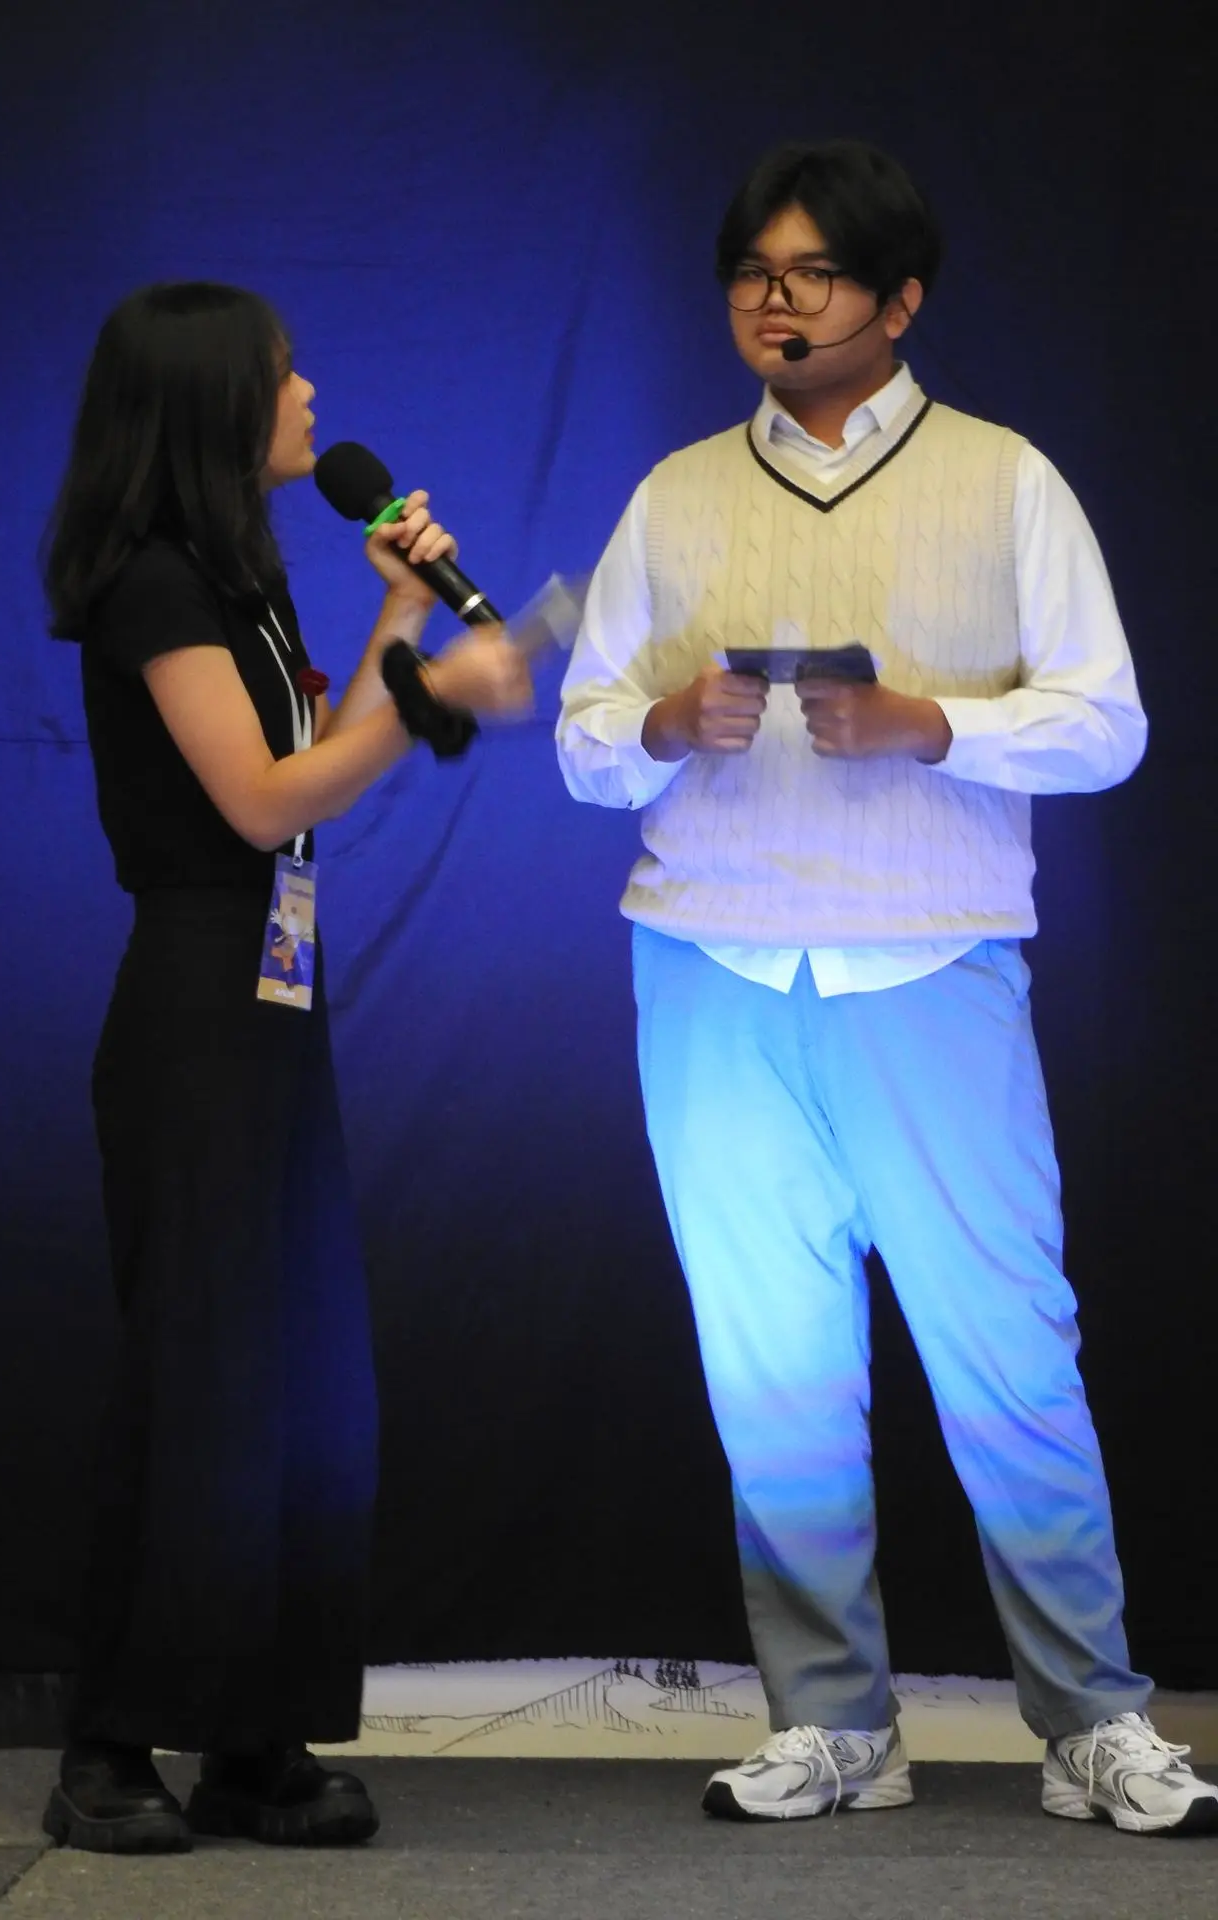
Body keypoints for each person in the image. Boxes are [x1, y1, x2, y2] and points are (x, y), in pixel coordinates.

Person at [556, 140, 1218, 1835]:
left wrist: (938, 726)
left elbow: (1109, 725)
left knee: (1010, 1352)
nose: (775, 300)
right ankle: (834, 1723)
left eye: (814, 273)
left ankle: (1094, 1721)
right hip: (710, 963)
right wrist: (659, 726)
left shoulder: (1006, 481)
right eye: (753, 272)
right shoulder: (675, 493)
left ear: (899, 300)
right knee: (771, 1364)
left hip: (931, 960)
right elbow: (580, 743)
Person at [40, 281, 531, 1855]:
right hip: (196, 1000)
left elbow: (310, 750)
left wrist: (397, 620)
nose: (311, 394)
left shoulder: (239, 576)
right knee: (199, 1370)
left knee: (300, 1374)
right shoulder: (149, 583)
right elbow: (259, 801)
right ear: (210, 403)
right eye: (282, 374)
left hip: (273, 990)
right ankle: (112, 1743)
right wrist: (433, 693)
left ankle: (257, 1741)